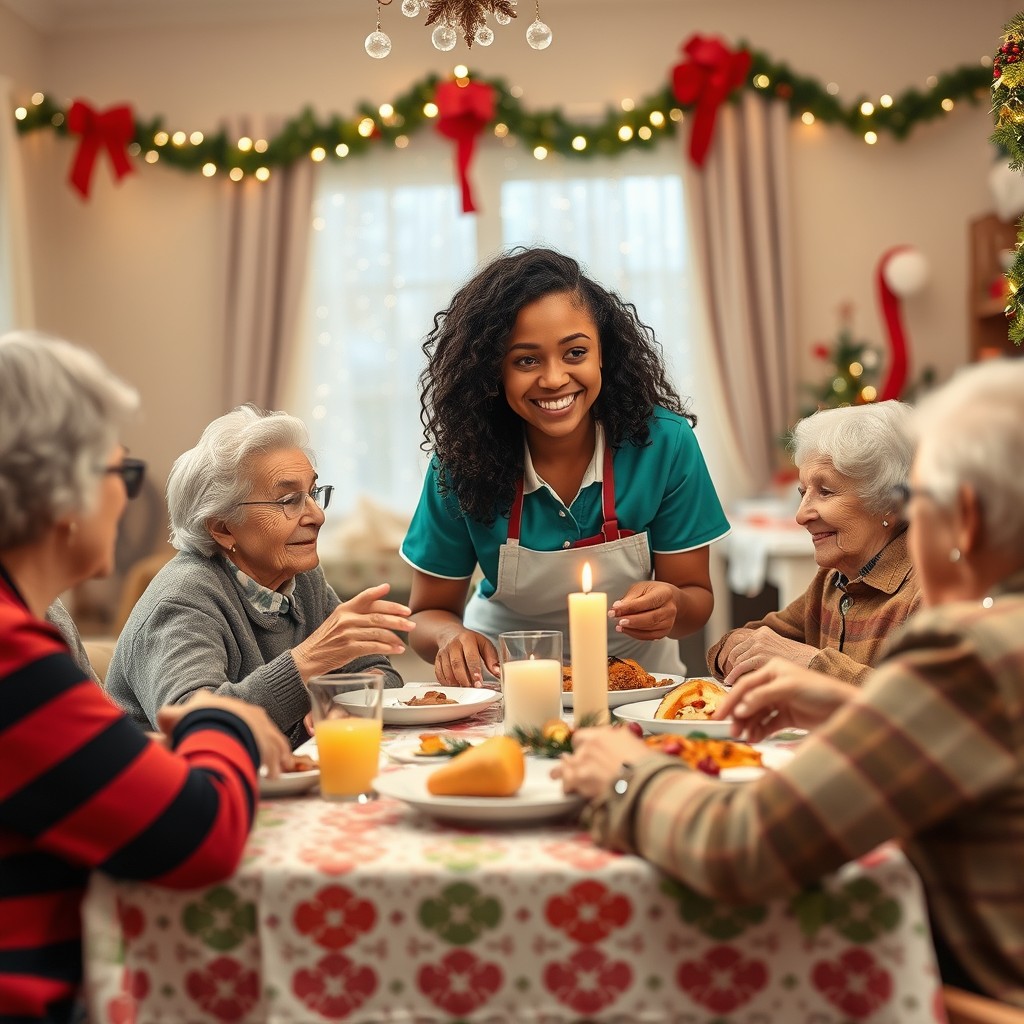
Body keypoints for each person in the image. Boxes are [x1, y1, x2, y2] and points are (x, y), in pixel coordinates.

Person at [558, 359, 1024, 1006]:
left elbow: (741, 847)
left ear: (963, 517)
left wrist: (623, 772)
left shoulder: (973, 653)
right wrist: (849, 702)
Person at [0, 331, 291, 1024]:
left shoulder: (37, 620)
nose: (132, 503)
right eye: (123, 477)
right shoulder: (12, 654)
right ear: (59, 490)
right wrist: (220, 720)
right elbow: (199, 835)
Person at [401, 247, 730, 686]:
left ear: (602, 355)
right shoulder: (460, 463)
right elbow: (427, 613)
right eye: (526, 360)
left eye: (574, 353)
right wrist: (449, 637)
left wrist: (672, 606)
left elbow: (695, 599)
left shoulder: (664, 444)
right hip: (506, 680)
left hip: (637, 680)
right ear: (492, 371)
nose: (555, 379)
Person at [106, 405, 413, 748]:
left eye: (312, 493)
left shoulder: (300, 579)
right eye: (288, 500)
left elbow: (381, 674)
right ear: (223, 528)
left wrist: (348, 702)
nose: (317, 515)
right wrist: (308, 660)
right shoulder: (183, 599)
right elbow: (197, 725)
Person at [706, 401, 921, 686]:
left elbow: (928, 705)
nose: (800, 515)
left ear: (892, 502)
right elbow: (754, 640)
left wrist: (809, 663)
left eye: (826, 491)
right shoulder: (833, 582)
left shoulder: (930, 587)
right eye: (803, 492)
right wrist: (732, 650)